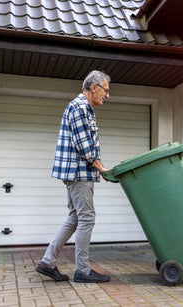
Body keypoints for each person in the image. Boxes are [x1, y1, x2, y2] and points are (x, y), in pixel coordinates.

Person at [36, 70, 111, 283]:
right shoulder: (80, 108)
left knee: (75, 217)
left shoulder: (84, 108)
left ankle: (47, 262)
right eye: (105, 90)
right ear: (94, 87)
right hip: (79, 173)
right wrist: (101, 168)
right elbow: (85, 148)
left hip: (76, 172)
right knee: (87, 218)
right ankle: (83, 270)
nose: (107, 95)